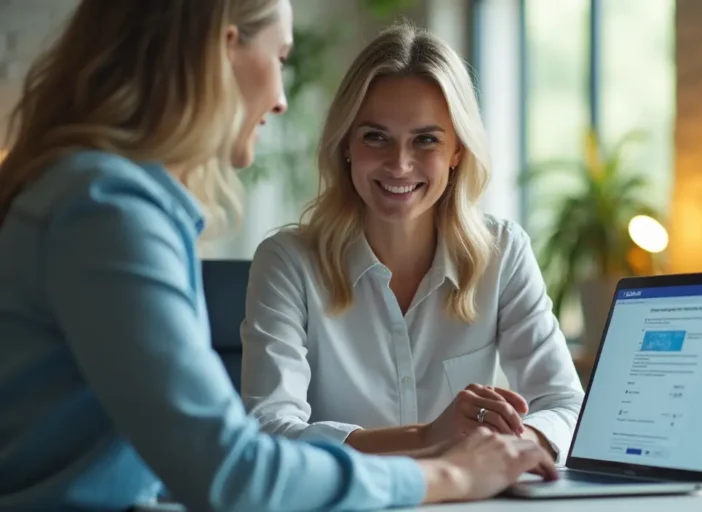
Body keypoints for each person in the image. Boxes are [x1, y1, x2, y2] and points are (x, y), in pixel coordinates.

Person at [0, 1, 556, 510]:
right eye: (281, 57)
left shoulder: (99, 197)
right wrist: (450, 475)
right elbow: (233, 470)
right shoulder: (107, 210)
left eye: (427, 140)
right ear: (224, 48)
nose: (282, 98)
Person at [240, 23, 585, 463]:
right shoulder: (288, 262)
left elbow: (566, 406)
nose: (399, 164)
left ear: (458, 150)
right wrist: (426, 439)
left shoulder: (503, 251)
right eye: (376, 137)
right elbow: (269, 431)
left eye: (426, 140)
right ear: (346, 144)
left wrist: (505, 449)